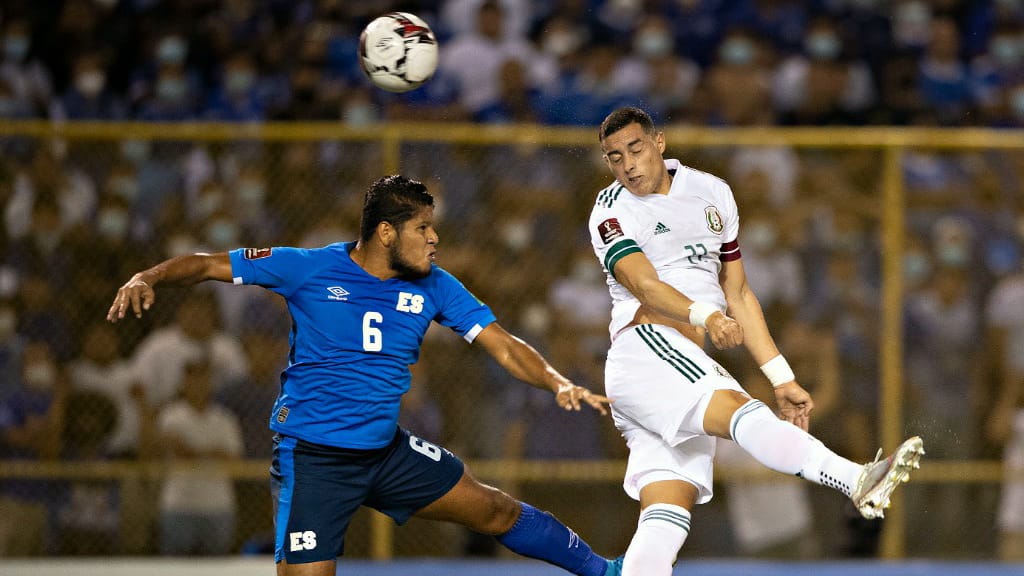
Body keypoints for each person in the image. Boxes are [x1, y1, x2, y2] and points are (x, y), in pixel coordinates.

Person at [107, 175, 622, 576]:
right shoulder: (308, 268)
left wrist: (558, 381)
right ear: (385, 232)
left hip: (385, 453)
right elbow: (206, 265)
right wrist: (146, 275)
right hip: (314, 458)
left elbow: (503, 345)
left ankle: (605, 571)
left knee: (495, 511)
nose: (435, 238)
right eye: (423, 227)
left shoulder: (436, 285)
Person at [588, 107, 924, 575]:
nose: (626, 164)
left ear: (659, 143)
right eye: (614, 157)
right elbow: (643, 285)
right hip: (648, 349)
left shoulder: (713, 193)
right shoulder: (610, 209)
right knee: (742, 410)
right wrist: (705, 315)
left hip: (672, 367)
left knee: (667, 511)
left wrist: (781, 375)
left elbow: (739, 293)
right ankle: (856, 479)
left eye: (635, 149)